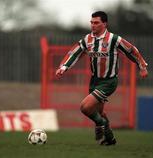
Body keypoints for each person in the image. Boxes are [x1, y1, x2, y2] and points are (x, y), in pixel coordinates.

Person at [56, 11, 148, 146]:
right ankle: (110, 139)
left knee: (85, 107)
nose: (93, 25)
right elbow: (74, 52)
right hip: (94, 81)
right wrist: (64, 67)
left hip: (109, 82)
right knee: (100, 112)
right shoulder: (87, 39)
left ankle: (101, 124)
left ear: (104, 24)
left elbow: (131, 50)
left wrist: (142, 66)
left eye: (96, 22)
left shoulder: (113, 39)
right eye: (91, 22)